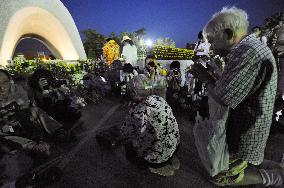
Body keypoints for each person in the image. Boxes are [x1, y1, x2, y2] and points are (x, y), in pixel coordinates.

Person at [191, 7, 283, 187]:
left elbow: (224, 97)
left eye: (212, 41)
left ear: (227, 34)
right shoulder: (247, 48)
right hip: (246, 123)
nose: (211, 47)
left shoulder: (248, 52)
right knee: (234, 165)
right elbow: (235, 86)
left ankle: (276, 178)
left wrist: (204, 78)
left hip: (246, 129)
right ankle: (276, 168)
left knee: (221, 178)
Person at [120, 74, 180, 176]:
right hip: (174, 146)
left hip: (158, 157)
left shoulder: (137, 112)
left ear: (134, 92)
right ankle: (171, 159)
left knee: (128, 145)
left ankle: (157, 167)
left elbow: (125, 133)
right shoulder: (159, 99)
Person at [0, 69, 64, 156]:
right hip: (7, 127)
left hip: (22, 120)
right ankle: (32, 146)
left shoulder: (17, 89)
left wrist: (18, 113)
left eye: (5, 82)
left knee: (35, 110)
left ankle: (57, 131)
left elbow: (25, 104)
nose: (2, 87)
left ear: (9, 81)